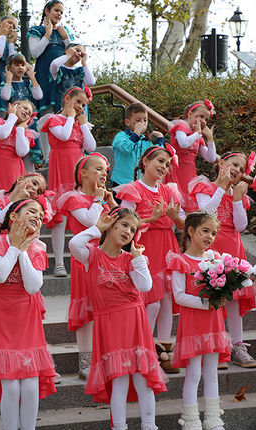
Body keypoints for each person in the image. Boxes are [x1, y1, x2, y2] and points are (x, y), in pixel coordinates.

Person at [68, 207, 165, 430]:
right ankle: (119, 426)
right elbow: (74, 244)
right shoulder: (91, 255)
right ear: (110, 224)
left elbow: (145, 286)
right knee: (119, 379)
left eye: (133, 229)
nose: (128, 231)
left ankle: (149, 425)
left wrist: (139, 259)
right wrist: (96, 228)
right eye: (124, 225)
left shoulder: (132, 259)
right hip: (109, 324)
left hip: (134, 322)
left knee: (143, 377)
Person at [0, 199, 57, 430]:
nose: (37, 217)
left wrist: (23, 250)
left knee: (31, 386)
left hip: (26, 316)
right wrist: (16, 246)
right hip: (0, 315)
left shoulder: (38, 248)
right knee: (11, 387)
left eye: (41, 215)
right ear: (13, 217)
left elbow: (33, 286)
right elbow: (0, 275)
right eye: (32, 211)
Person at [117, 146, 184, 374]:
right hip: (145, 246)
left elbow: (183, 224)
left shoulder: (169, 191)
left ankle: (164, 348)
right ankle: (144, 347)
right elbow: (123, 222)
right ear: (146, 161)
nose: (164, 167)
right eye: (160, 161)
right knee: (151, 301)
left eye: (167, 164)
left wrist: (175, 217)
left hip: (167, 245)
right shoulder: (133, 189)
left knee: (166, 299)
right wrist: (150, 218)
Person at [188, 152, 256, 368]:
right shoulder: (205, 187)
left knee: (234, 300)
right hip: (210, 248)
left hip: (232, 250)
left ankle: (237, 345)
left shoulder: (238, 195)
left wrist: (237, 200)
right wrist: (222, 187)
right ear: (221, 163)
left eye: (242, 169)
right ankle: (214, 345)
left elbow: (241, 226)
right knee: (212, 297)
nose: (237, 170)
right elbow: (204, 212)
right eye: (234, 164)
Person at [167, 211, 230, 430]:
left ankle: (213, 418)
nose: (209, 237)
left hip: (213, 323)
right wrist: (206, 303)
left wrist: (222, 296)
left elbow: (222, 287)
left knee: (212, 373)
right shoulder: (180, 261)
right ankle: (191, 419)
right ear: (190, 231)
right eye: (204, 231)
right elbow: (179, 296)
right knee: (194, 373)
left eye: (213, 233)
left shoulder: (215, 260)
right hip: (193, 323)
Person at [56, 153, 116, 379]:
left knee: (107, 308)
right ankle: (85, 360)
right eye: (98, 169)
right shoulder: (74, 198)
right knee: (86, 311)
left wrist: (109, 202)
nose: (103, 174)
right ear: (83, 174)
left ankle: (107, 355)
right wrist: (100, 200)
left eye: (105, 171)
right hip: (84, 257)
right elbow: (92, 223)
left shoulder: (102, 198)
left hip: (107, 257)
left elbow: (121, 223)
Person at [41, 87, 96, 276]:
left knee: (81, 216)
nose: (80, 106)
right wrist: (72, 117)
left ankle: (86, 258)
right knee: (60, 219)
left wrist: (82, 124)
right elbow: (63, 136)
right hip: (60, 172)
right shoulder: (54, 120)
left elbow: (91, 146)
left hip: (78, 174)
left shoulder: (80, 124)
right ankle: (58, 263)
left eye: (83, 105)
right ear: (67, 99)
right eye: (78, 102)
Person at [0, 100, 37, 191]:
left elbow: (21, 152)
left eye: (29, 113)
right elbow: (3, 134)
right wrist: (12, 116)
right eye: (25, 108)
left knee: (12, 194)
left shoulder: (25, 133)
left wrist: (20, 129)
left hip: (14, 168)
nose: (26, 112)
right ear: (14, 106)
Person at [26, 0, 74, 111]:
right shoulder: (36, 30)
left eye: (61, 13)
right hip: (44, 74)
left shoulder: (64, 30)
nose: (59, 14)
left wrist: (66, 37)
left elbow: (74, 54)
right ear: (47, 11)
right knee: (48, 111)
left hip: (63, 76)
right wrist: (47, 34)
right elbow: (35, 53)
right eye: (56, 10)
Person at [162, 99, 217, 194]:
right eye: (201, 116)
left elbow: (211, 158)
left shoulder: (197, 136)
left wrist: (210, 139)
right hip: (176, 170)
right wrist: (198, 133)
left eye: (206, 119)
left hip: (189, 173)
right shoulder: (181, 126)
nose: (203, 121)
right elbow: (183, 143)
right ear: (190, 114)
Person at [110, 102, 164, 187]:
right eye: (138, 120)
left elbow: (159, 156)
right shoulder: (120, 136)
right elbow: (126, 148)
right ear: (127, 122)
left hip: (140, 185)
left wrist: (160, 140)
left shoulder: (146, 141)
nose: (142, 123)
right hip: (121, 183)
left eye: (145, 120)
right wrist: (136, 132)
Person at [49, 44, 94, 113]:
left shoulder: (80, 71)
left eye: (81, 55)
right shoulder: (59, 69)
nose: (79, 54)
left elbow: (91, 82)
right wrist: (68, 55)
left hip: (79, 110)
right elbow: (54, 64)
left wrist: (84, 63)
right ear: (68, 50)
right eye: (77, 50)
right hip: (63, 109)